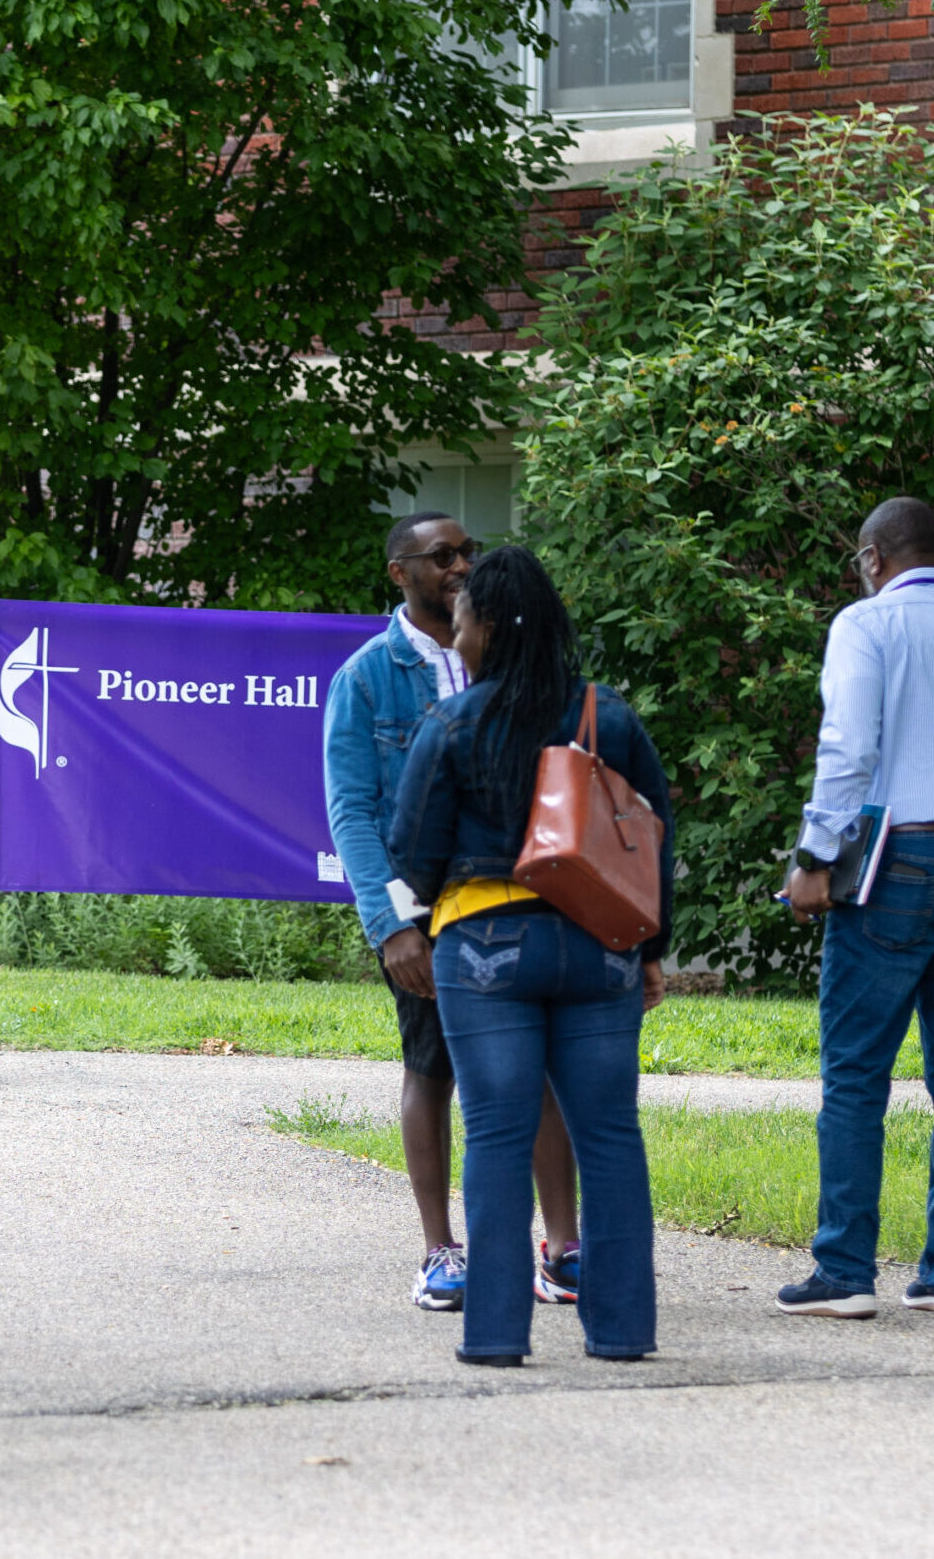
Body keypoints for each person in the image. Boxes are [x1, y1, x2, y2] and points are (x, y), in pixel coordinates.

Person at [387, 545, 672, 1367]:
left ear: (490, 628)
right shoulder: (605, 716)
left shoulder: (453, 722)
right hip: (598, 947)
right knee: (611, 1133)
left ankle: (497, 1336)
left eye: (465, 618)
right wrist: (652, 948)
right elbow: (656, 840)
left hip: (485, 950)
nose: (459, 633)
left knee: (499, 1134)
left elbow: (412, 852)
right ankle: (621, 1332)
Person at [778, 497, 934, 1319]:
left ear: (874, 557)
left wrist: (815, 856)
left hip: (898, 860)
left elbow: (849, 745)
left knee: (856, 1071)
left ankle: (845, 1268)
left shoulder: (867, 623)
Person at [325, 512, 581, 1313]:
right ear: (399, 572)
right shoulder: (368, 677)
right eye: (443, 556)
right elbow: (353, 810)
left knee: (536, 1071)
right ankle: (442, 1251)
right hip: (424, 910)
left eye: (468, 551)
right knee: (430, 1071)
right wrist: (393, 925)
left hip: (521, 900)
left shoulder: (508, 658)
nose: (462, 565)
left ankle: (563, 1248)